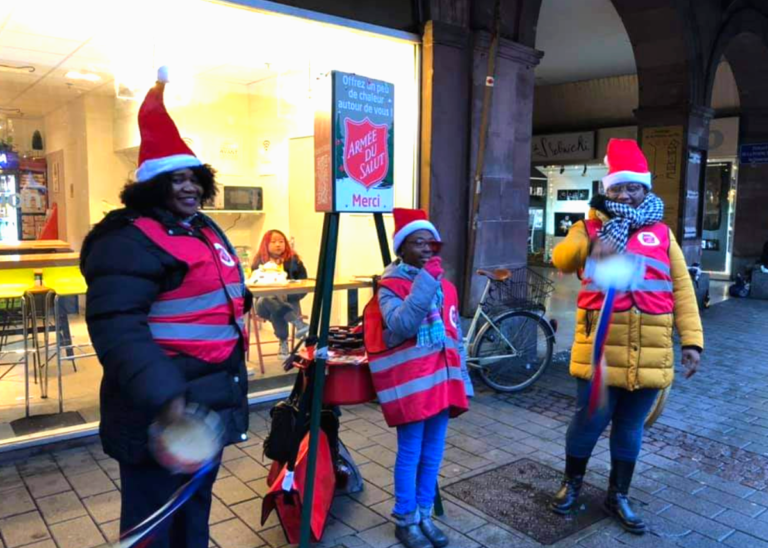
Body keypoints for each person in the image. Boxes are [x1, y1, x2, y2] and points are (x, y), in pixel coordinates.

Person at [80, 67, 250, 548]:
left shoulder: (204, 229)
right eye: (176, 180)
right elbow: (117, 327)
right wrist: (165, 394)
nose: (189, 188)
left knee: (194, 514)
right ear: (152, 186)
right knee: (154, 523)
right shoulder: (127, 239)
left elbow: (219, 290)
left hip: (208, 400)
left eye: (194, 179)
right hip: (160, 410)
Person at [549, 139, 704, 534]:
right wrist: (587, 244)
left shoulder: (663, 234)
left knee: (630, 428)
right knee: (588, 421)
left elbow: (681, 290)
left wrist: (691, 341)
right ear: (607, 190)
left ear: (645, 189)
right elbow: (563, 259)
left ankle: (618, 494)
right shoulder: (588, 227)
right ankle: (572, 483)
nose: (626, 194)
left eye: (633, 187)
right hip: (599, 351)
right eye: (618, 188)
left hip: (651, 352)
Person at [363, 208, 472, 548]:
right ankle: (405, 518)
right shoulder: (390, 286)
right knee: (410, 452)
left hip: (441, 383)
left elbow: (455, 336)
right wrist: (426, 282)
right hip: (412, 388)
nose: (427, 249)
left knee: (434, 451)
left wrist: (463, 380)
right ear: (402, 248)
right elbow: (401, 326)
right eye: (418, 242)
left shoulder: (445, 286)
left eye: (431, 243)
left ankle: (425, 513)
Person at [251, 229, 309, 358]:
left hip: (288, 302)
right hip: (263, 305)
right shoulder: (259, 262)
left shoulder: (294, 261)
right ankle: (298, 323)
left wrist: (287, 295)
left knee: (276, 309)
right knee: (267, 298)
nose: (278, 245)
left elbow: (304, 285)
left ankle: (283, 345)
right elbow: (253, 286)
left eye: (281, 241)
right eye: (274, 242)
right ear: (266, 244)